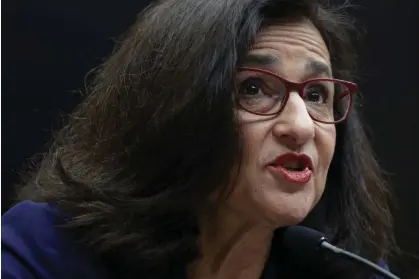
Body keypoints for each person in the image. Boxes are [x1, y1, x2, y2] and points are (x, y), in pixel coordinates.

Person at [2, 0, 397, 278]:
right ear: (173, 109)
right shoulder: (46, 250)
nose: (301, 126)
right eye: (254, 88)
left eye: (316, 95)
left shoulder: (348, 268)